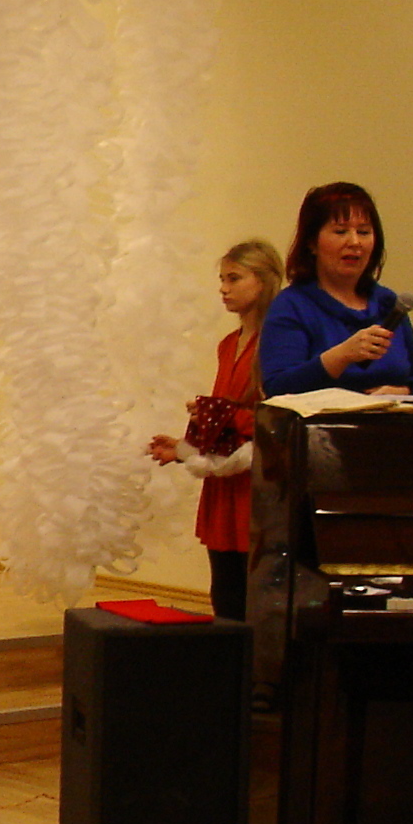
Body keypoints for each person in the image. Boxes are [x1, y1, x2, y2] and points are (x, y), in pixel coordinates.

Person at [151, 238, 283, 622]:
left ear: (263, 280)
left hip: (256, 486)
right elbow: (227, 418)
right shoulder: (228, 344)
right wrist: (185, 448)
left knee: (254, 596)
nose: (223, 289)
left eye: (234, 278)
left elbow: (272, 417)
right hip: (226, 485)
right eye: (222, 279)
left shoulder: (276, 344)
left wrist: (218, 414)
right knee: (225, 592)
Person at [260, 181, 413, 398]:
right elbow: (277, 388)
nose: (355, 242)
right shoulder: (292, 305)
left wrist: (403, 392)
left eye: (363, 232)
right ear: (312, 243)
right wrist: (341, 356)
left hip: (394, 418)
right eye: (340, 231)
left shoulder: (388, 303)